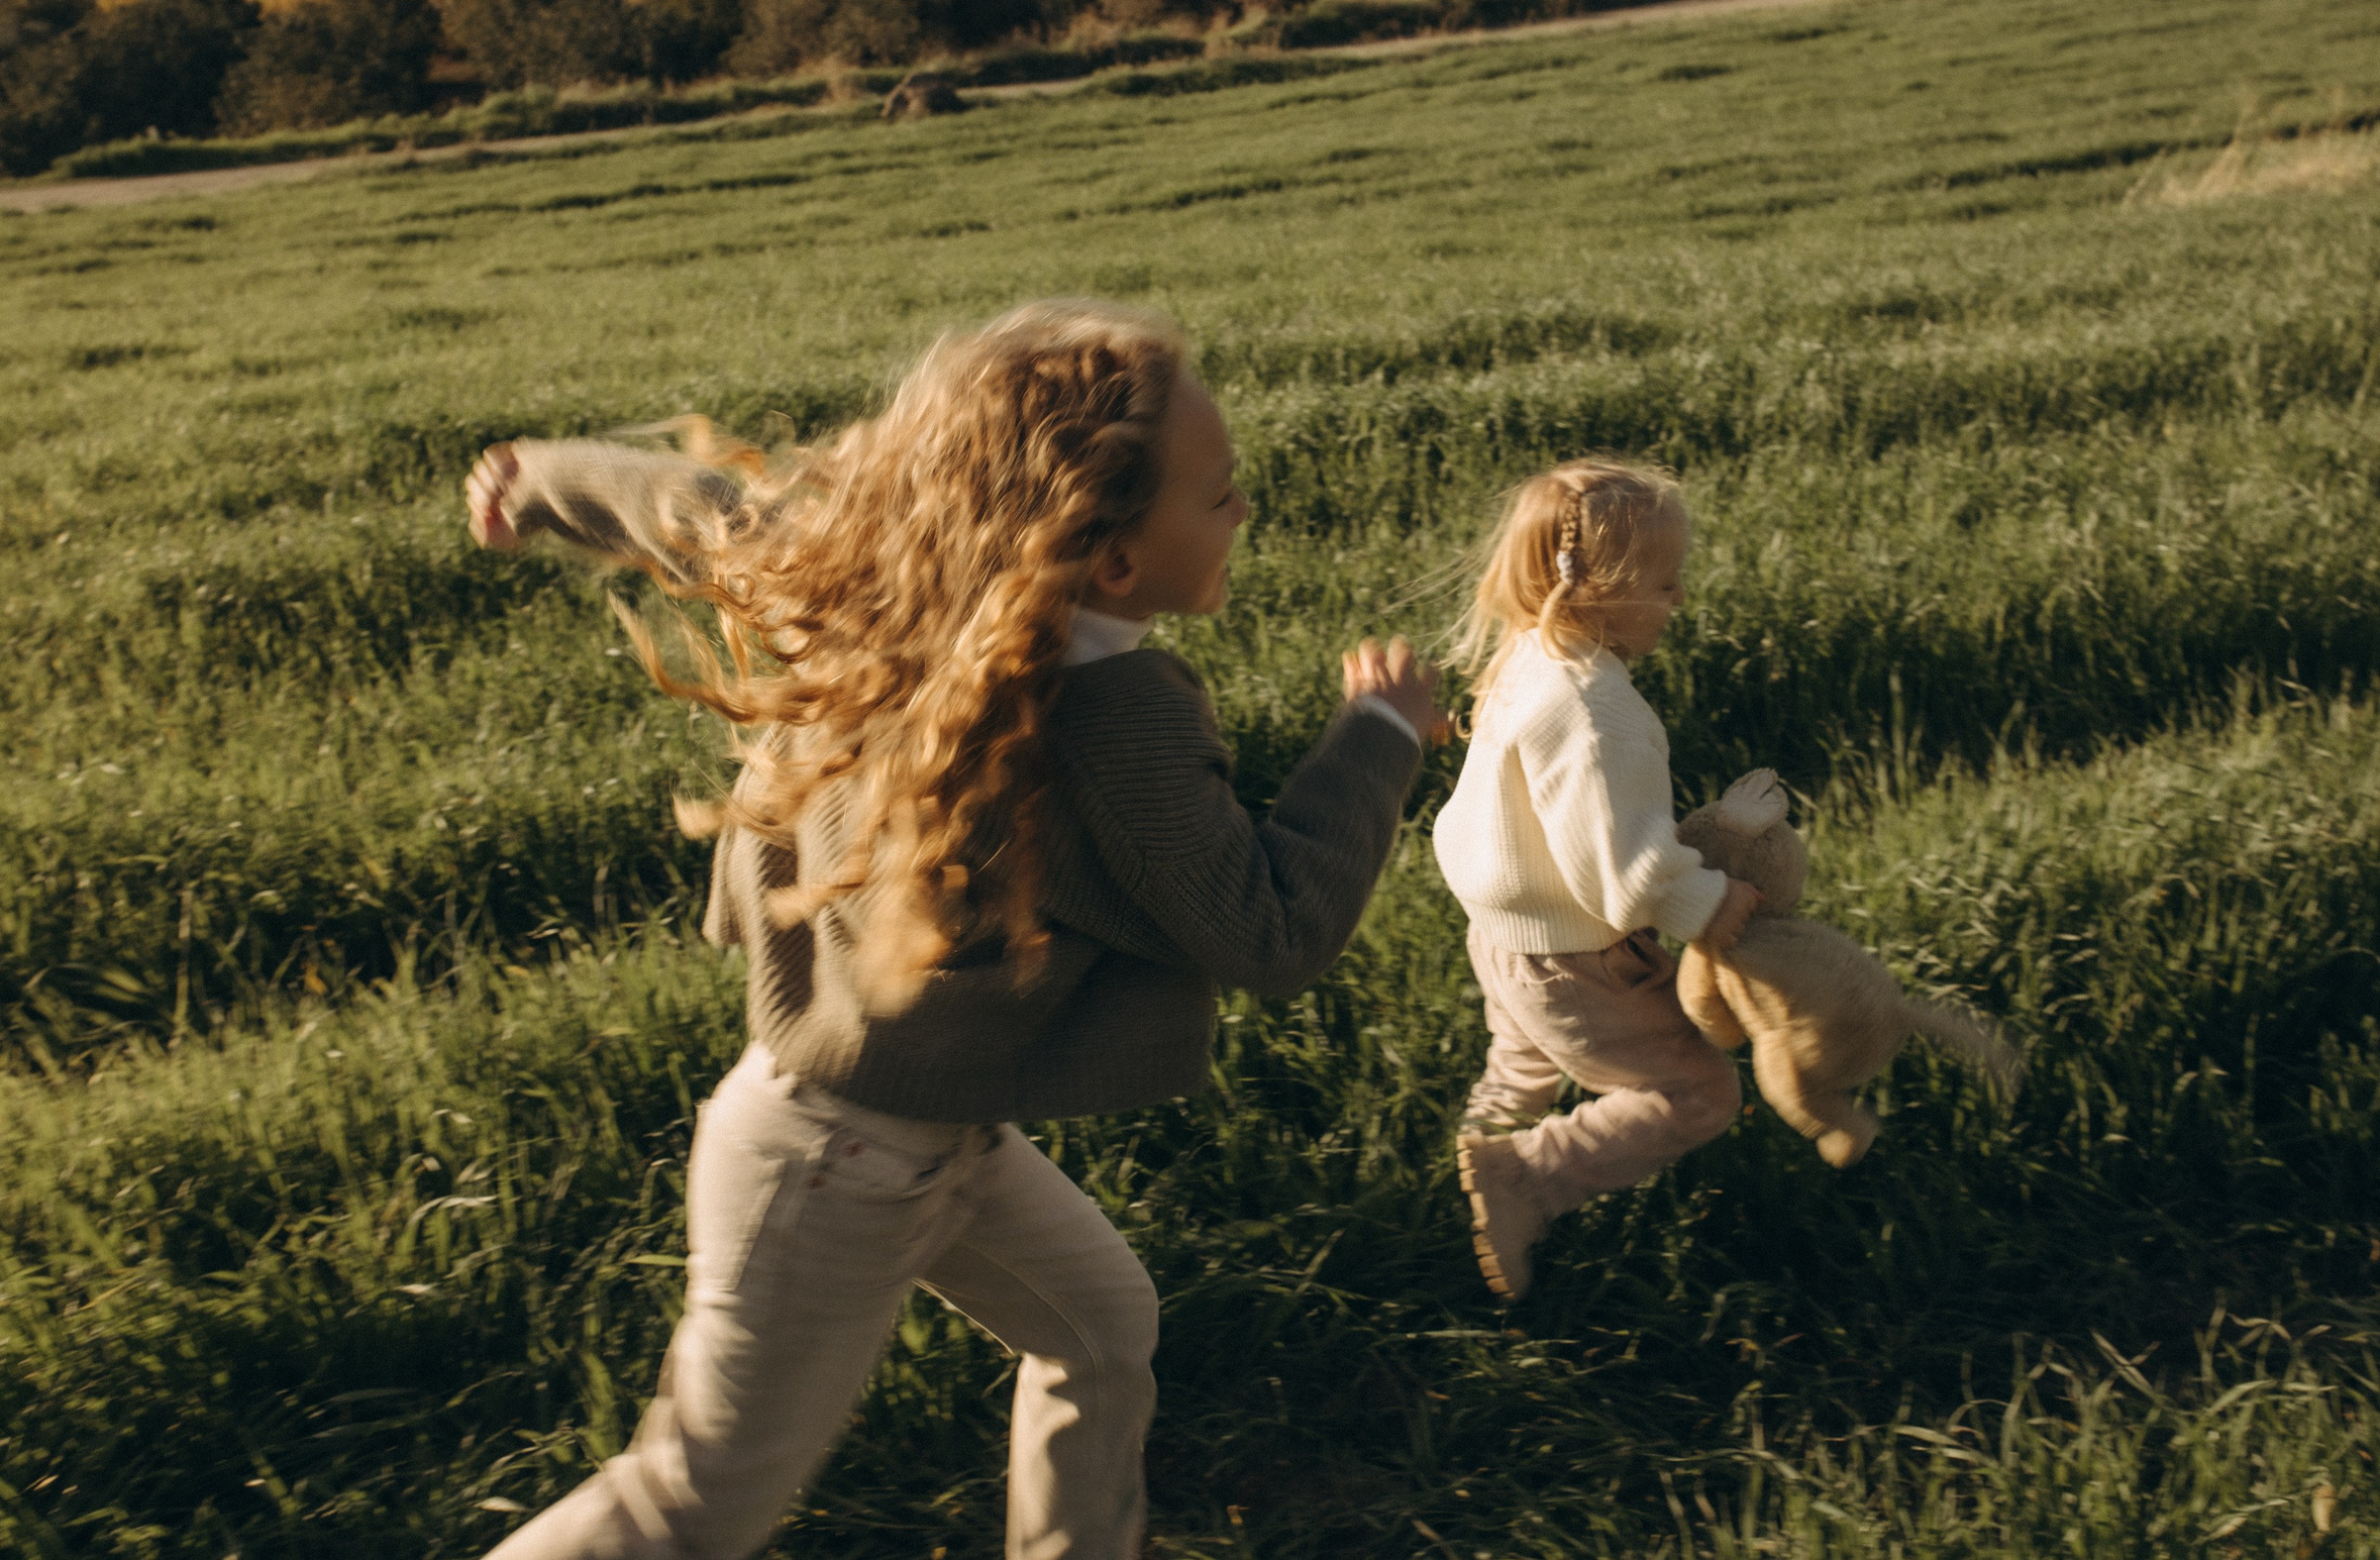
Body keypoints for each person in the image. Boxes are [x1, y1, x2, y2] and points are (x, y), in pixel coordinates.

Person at [462, 299, 1440, 1560]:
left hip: (914, 1131)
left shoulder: (905, 591)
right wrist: (1376, 738)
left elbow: (701, 514)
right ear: (1115, 564)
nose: (1241, 508)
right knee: (692, 1502)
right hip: (835, 1167)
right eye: (1220, 492)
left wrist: (542, 478)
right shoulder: (1111, 721)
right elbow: (1269, 926)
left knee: (1099, 1325)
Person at [1431, 457, 1761, 1302]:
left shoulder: (1530, 655)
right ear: (1597, 592)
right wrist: (1708, 904)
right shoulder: (1593, 709)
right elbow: (1622, 870)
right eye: (1665, 582)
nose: (1678, 599)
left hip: (1505, 938)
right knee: (1695, 1094)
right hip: (1576, 958)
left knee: (1524, 1063)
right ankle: (1528, 1178)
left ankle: (1454, 1196)